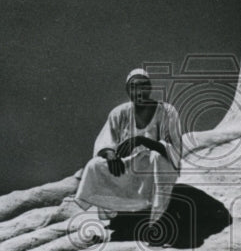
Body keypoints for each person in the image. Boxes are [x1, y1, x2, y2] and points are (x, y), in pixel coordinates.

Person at [74, 68, 183, 241]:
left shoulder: (167, 111)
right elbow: (105, 141)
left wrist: (142, 140)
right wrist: (110, 155)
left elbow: (174, 148)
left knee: (156, 158)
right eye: (133, 87)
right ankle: (118, 214)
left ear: (150, 88)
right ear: (128, 91)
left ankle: (156, 221)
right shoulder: (119, 113)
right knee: (94, 165)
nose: (139, 91)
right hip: (128, 167)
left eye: (143, 86)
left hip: (155, 167)